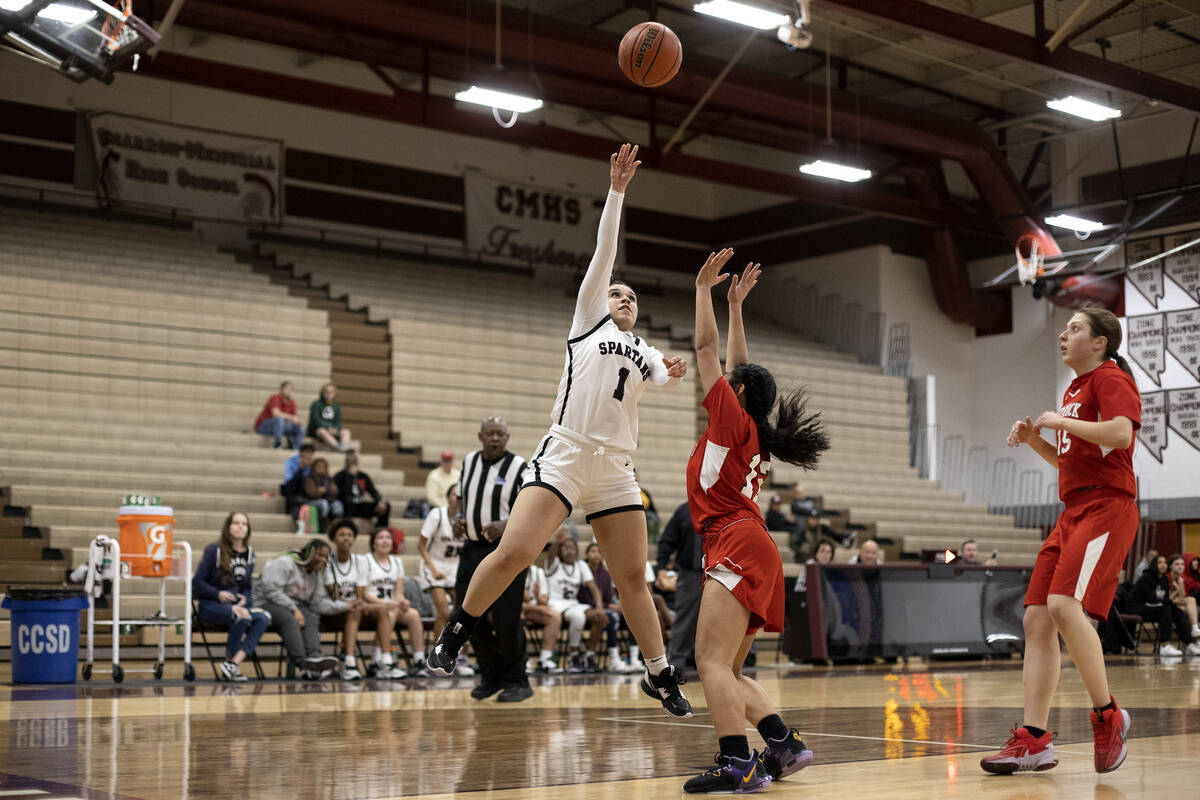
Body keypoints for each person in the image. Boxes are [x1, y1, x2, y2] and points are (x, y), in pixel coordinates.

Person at [428, 145, 692, 718]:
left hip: (617, 467)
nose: (622, 299)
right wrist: (617, 189)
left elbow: (664, 379)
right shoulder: (587, 323)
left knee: (632, 580)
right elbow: (605, 251)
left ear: (638, 314)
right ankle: (456, 631)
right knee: (515, 551)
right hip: (567, 452)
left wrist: (671, 372)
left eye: (631, 298)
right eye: (616, 293)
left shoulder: (643, 350)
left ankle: (659, 673)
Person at [684, 250, 829, 793]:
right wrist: (736, 307)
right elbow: (740, 367)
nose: (724, 380)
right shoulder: (752, 428)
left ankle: (737, 763)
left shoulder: (731, 418)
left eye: (731, 382)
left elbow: (706, 349)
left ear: (736, 394)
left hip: (735, 542)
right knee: (731, 668)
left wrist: (703, 291)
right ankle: (784, 746)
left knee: (710, 663)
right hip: (756, 546)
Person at [981, 304, 1142, 776]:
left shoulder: (1109, 378)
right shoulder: (1074, 388)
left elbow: (1120, 434)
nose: (1063, 334)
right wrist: (1036, 439)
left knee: (1064, 606)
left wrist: (1061, 422)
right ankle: (1033, 739)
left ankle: (1108, 715)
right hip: (1074, 509)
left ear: (1099, 343)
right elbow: (1074, 463)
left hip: (1108, 507)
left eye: (1075, 328)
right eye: (1064, 328)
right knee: (1035, 618)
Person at [437, 416, 534, 702]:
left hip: (507, 552)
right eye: (490, 434)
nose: (495, 439)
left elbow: (531, 507)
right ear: (480, 436)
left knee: (506, 619)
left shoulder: (519, 467)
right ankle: (490, 675)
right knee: (466, 613)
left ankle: (518, 680)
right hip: (472, 548)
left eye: (500, 434)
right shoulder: (468, 462)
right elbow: (461, 497)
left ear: (507, 437)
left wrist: (506, 524)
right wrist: (458, 517)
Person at [192, 511, 271, 682]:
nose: (240, 526)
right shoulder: (215, 550)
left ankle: (233, 664)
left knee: (264, 617)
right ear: (228, 528)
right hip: (210, 605)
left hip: (236, 606)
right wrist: (218, 594)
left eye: (244, 524)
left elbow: (247, 587)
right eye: (236, 523)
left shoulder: (250, 554)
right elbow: (197, 582)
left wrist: (245, 599)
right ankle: (229, 661)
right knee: (240, 616)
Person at [252, 539, 344, 678]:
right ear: (308, 553)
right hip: (264, 601)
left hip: (293, 605)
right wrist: (293, 609)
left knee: (311, 616)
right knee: (288, 618)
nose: (324, 560)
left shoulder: (316, 574)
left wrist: (347, 606)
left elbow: (316, 603)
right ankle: (303, 664)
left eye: (326, 557)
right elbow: (270, 590)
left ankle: (315, 658)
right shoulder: (285, 562)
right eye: (320, 555)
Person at [357, 527, 425, 677]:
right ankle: (379, 661)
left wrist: (402, 600)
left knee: (413, 614)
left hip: (391, 606)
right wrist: (383, 603)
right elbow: (363, 593)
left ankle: (419, 661)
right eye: (380, 537)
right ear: (373, 543)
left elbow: (398, 593)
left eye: (388, 538)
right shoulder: (365, 560)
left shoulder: (396, 562)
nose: (385, 541)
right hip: (371, 606)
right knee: (389, 613)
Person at [545, 533, 607, 673]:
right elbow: (549, 556)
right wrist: (556, 542)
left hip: (573, 604)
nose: (569, 551)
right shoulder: (554, 564)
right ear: (560, 551)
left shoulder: (580, 565)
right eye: (565, 548)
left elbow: (594, 589)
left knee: (600, 617)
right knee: (578, 617)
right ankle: (573, 657)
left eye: (572, 548)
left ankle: (589, 656)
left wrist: (599, 607)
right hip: (556, 604)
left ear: (577, 551)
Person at [321, 518, 372, 681]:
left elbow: (361, 593)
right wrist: (349, 604)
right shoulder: (327, 561)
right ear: (334, 538)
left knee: (380, 610)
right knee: (353, 611)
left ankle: (381, 660)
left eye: (350, 535)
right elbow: (332, 594)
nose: (346, 538)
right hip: (330, 609)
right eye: (342, 534)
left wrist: (354, 602)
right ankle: (349, 661)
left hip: (353, 609)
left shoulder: (360, 560)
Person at [657, 501, 704, 674]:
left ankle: (708, 659)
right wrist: (662, 566)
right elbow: (667, 540)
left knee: (716, 619)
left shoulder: (723, 504)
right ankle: (677, 660)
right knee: (685, 617)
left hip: (719, 573)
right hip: (691, 573)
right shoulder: (685, 510)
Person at [418, 485, 463, 645]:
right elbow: (421, 545)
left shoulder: (466, 519)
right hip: (434, 564)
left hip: (454, 567)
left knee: (462, 614)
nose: (456, 498)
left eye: (460, 495)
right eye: (453, 494)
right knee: (443, 611)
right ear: (447, 496)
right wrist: (433, 569)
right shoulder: (437, 515)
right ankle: (436, 653)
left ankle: (460, 655)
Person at [1128, 554, 1192, 656]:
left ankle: (1189, 644)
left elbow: (1165, 600)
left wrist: (1176, 591)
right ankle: (1164, 645)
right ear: (1154, 564)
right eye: (1160, 562)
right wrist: (1169, 601)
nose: (1163, 565)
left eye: (1165, 563)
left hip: (1153, 607)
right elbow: (1152, 600)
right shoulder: (1146, 578)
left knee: (1176, 611)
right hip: (1137, 607)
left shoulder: (1164, 579)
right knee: (1165, 609)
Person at [522, 561, 564, 673]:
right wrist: (536, 608)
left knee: (554, 617)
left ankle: (545, 659)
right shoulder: (511, 570)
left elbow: (544, 601)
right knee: (518, 617)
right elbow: (512, 604)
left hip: (531, 609)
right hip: (515, 611)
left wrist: (537, 596)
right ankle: (521, 659)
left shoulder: (538, 572)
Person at [334, 450, 391, 529]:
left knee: (386, 506)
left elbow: (373, 491)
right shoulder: (339, 476)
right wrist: (351, 477)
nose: (352, 464)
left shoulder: (363, 476)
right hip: (346, 506)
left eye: (354, 461)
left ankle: (381, 528)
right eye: (350, 461)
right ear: (345, 463)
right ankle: (347, 528)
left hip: (360, 505)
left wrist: (380, 501)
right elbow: (343, 494)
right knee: (349, 501)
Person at [254, 380, 306, 451]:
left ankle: (297, 449)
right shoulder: (275, 398)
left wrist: (299, 421)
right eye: (286, 388)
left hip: (280, 427)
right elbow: (276, 414)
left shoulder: (291, 402)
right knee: (279, 420)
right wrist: (292, 418)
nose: (288, 391)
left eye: (291, 389)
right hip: (263, 426)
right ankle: (277, 444)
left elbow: (295, 418)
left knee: (300, 427)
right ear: (281, 389)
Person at [1167, 554, 1200, 651]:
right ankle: (1194, 641)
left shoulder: (1180, 579)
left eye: (1182, 564)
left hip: (1177, 604)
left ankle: (1195, 631)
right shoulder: (1166, 578)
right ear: (1170, 566)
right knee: (1189, 603)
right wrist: (1177, 591)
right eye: (1177, 564)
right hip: (1165, 606)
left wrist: (1179, 586)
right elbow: (1166, 600)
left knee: (1190, 601)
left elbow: (1182, 599)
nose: (1180, 566)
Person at [308, 382, 351, 451]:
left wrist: (336, 429)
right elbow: (316, 421)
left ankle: (344, 448)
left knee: (346, 431)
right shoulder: (316, 404)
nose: (329, 394)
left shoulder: (336, 406)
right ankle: (337, 448)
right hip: (318, 431)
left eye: (331, 392)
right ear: (323, 393)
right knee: (322, 431)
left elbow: (338, 421)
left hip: (332, 430)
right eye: (327, 392)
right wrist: (328, 428)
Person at [303, 457, 344, 524]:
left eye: (323, 467)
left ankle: (336, 524)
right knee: (324, 504)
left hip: (329, 500)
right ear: (313, 468)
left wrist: (323, 490)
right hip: (313, 501)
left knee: (338, 505)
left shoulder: (328, 479)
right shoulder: (309, 479)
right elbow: (312, 493)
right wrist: (325, 491)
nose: (321, 469)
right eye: (319, 467)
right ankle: (322, 524)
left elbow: (335, 491)